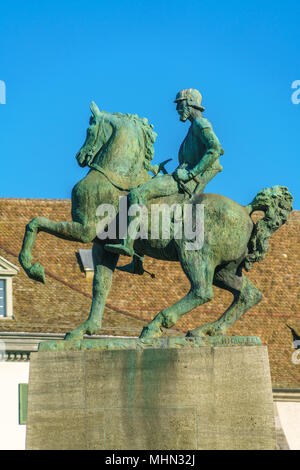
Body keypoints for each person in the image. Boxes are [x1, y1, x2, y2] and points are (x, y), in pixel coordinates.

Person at [105, 88, 224, 264]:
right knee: (143, 194)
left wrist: (191, 173)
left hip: (184, 183)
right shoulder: (194, 127)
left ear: (189, 103)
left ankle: (128, 244)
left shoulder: (201, 125)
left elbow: (215, 149)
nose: (177, 109)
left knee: (138, 194)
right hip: (179, 177)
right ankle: (137, 261)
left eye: (179, 105)